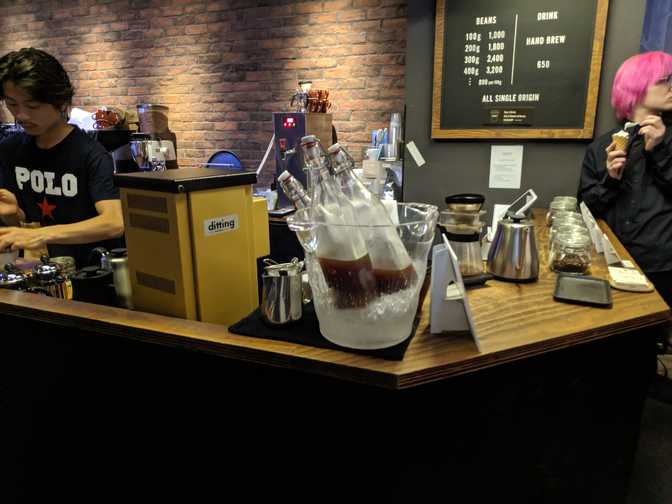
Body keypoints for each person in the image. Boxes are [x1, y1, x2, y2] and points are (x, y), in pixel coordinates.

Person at [0, 47, 124, 267]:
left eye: (32, 106)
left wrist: (42, 235)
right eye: (12, 104)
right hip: (32, 276)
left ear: (61, 102)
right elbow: (22, 228)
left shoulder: (90, 154)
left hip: (83, 279)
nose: (20, 115)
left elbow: (114, 222)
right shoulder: (9, 150)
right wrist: (12, 215)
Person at [578, 51, 672, 307]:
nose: (671, 87)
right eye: (665, 80)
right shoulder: (601, 148)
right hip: (612, 263)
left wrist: (660, 152)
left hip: (663, 267)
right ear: (637, 86)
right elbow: (586, 211)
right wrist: (610, 178)